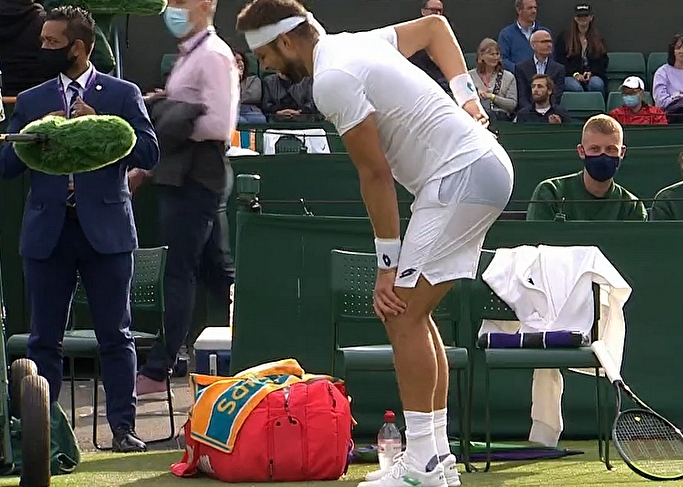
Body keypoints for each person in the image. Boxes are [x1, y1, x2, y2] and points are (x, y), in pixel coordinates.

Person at [237, 2, 514, 487]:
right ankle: (436, 459)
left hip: (461, 175)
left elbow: (375, 175)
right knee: (414, 314)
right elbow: (435, 28)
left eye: (264, 55)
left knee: (401, 312)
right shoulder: (357, 44)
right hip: (479, 169)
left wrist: (387, 265)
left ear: (285, 41)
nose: (265, 67)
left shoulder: (331, 80)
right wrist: (468, 100)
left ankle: (422, 464)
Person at [0, 6, 159, 452]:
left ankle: (123, 430)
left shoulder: (122, 94)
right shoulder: (32, 100)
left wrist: (102, 125)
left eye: (52, 42)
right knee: (44, 339)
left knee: (116, 335)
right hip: (47, 232)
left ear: (79, 48)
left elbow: (149, 153)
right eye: (42, 41)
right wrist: (35, 137)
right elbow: (7, 166)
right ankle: (45, 437)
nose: (43, 48)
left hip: (106, 232)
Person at [134, 0, 239, 399]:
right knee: (217, 274)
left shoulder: (213, 55)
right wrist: (169, 108)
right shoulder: (189, 56)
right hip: (182, 178)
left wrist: (166, 113)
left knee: (180, 271)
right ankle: (263, 347)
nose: (173, 7)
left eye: (182, 0)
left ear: (207, 4)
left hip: (196, 179)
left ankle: (159, 368)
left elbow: (218, 124)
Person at [526, 114, 647, 221]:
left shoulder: (632, 207)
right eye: (595, 149)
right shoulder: (551, 193)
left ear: (622, 152)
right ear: (581, 151)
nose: (603, 155)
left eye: (611, 149)